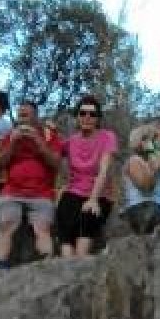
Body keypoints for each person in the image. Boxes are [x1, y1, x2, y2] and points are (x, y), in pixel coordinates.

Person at [0, 101, 62, 270]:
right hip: (12, 191)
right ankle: (0, 263)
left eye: (26, 115)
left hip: (41, 192)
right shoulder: (10, 136)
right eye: (20, 116)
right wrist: (13, 143)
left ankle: (47, 264)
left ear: (35, 117)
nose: (22, 119)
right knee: (6, 225)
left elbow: (55, 164)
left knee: (42, 228)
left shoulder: (49, 136)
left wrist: (37, 140)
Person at [57, 95, 118, 257]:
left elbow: (103, 170)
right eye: (83, 113)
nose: (87, 117)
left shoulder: (107, 137)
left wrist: (93, 199)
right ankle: (67, 267)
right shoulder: (70, 141)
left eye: (92, 114)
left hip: (98, 194)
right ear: (77, 116)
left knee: (88, 217)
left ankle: (80, 263)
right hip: (73, 192)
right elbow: (53, 155)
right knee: (65, 228)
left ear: (98, 118)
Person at [120, 122, 160, 235]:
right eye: (153, 138)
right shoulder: (135, 161)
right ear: (141, 142)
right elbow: (147, 187)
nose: (158, 141)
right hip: (143, 210)